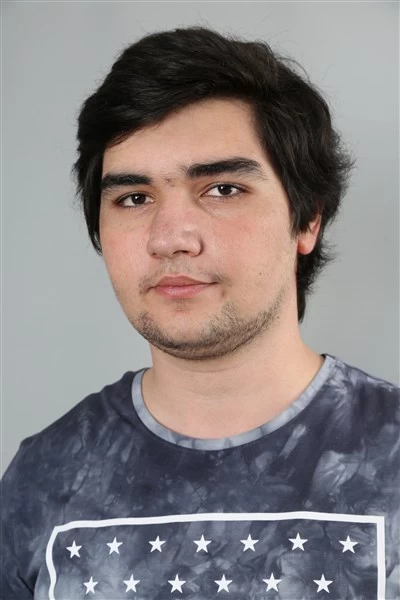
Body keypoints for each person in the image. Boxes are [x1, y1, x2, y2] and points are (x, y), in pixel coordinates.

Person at [1, 25, 399, 600]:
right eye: (134, 198)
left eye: (223, 190)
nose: (170, 237)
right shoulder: (44, 477)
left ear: (307, 219)